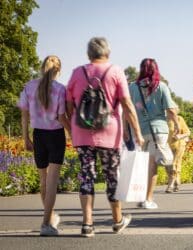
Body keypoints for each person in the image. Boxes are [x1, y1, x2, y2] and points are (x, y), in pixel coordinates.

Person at [66, 37, 144, 237]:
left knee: (86, 175)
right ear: (107, 53)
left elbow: (69, 104)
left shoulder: (77, 72)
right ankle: (117, 221)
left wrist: (73, 125)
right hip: (110, 133)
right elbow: (127, 104)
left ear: (88, 54)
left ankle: (87, 224)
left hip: (82, 133)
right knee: (111, 176)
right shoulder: (116, 71)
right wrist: (138, 133)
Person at [18, 55, 71, 236]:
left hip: (38, 135)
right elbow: (62, 117)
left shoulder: (30, 86)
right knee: (52, 181)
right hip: (55, 136)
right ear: (58, 70)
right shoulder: (60, 89)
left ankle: (49, 217)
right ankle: (46, 224)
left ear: (42, 68)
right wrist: (73, 134)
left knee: (43, 180)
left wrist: (25, 138)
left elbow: (24, 114)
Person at [129, 58, 180, 209]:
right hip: (158, 130)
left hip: (139, 131)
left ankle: (142, 197)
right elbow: (171, 110)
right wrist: (177, 124)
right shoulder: (161, 86)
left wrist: (126, 130)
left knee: (143, 165)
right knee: (153, 165)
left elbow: (127, 109)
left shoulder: (132, 87)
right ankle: (148, 199)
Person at [166, 111, 191, 193]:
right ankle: (177, 181)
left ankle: (171, 184)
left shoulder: (180, 119)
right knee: (168, 165)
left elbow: (188, 132)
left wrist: (180, 136)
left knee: (174, 163)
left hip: (179, 144)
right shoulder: (164, 119)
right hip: (167, 146)